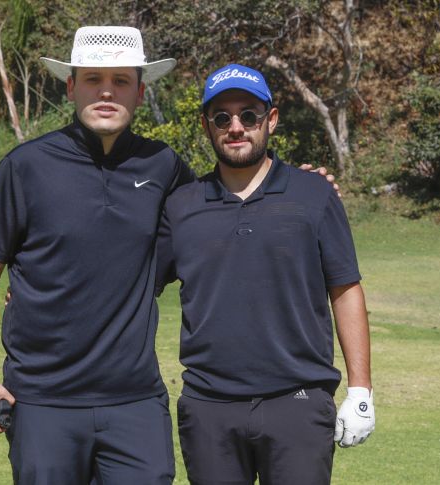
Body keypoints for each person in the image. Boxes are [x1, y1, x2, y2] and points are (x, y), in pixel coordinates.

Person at [0, 27, 337, 485]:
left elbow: (223, 209)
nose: (106, 91)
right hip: (43, 399)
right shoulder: (24, 167)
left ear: (140, 93)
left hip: (135, 401)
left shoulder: (163, 166)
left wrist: (302, 188)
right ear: (71, 87)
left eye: (121, 80)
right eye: (93, 79)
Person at [155, 64, 375, 485]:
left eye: (249, 115)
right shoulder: (181, 205)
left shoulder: (314, 194)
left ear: (270, 120)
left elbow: (345, 289)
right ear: (206, 125)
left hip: (298, 402)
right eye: (222, 117)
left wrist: (361, 390)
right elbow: (135, 282)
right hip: (209, 407)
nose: (236, 127)